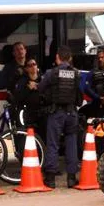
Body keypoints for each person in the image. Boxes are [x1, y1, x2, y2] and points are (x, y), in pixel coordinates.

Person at [37, 45, 81, 188]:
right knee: (71, 144)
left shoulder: (51, 73)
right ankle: (71, 179)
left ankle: (50, 179)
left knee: (53, 144)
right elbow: (79, 93)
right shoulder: (76, 73)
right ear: (70, 58)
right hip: (72, 113)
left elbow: (40, 89)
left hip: (56, 113)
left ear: (57, 58)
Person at [13, 58, 47, 149]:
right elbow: (17, 98)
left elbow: (50, 95)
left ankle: (42, 155)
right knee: (25, 135)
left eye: (34, 64)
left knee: (43, 135)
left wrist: (39, 88)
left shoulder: (43, 80)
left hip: (42, 112)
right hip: (26, 113)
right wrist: (28, 89)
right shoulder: (22, 81)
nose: (33, 67)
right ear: (26, 69)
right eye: (30, 65)